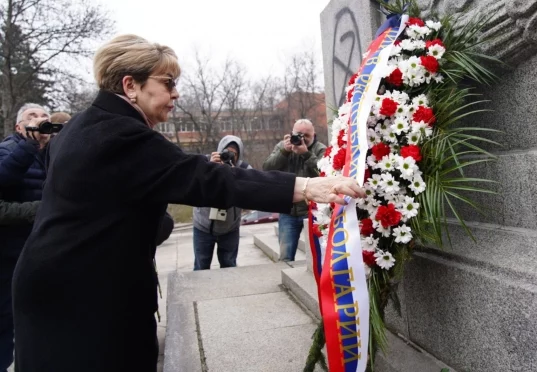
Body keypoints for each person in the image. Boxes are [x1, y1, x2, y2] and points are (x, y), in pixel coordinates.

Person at [10, 34, 363, 372]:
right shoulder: (120, 135)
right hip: (86, 301)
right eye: (168, 83)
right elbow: (203, 177)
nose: (176, 93)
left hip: (55, 286)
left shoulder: (80, 127)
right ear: (130, 85)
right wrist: (306, 185)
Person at [0, 103, 51, 371]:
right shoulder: (10, 149)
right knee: (7, 323)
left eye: (45, 116)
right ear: (19, 127)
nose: (40, 119)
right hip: (9, 255)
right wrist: (27, 146)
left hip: (40, 251)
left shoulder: (52, 155)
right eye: (32, 116)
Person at [263, 119, 326, 261]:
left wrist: (306, 154)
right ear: (291, 133)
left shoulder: (320, 149)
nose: (301, 139)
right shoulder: (283, 147)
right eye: (298, 134)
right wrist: (284, 152)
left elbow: (324, 174)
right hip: (288, 210)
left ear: (314, 134)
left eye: (306, 136)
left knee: (317, 255)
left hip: (312, 211)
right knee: (285, 256)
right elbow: (267, 168)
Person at [192, 135, 250, 270]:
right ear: (220, 151)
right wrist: (210, 168)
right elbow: (194, 185)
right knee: (201, 266)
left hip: (230, 228)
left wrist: (234, 172)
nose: (229, 156)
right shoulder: (207, 162)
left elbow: (253, 190)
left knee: (229, 266)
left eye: (233, 154)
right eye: (226, 152)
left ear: (239, 155)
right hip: (203, 226)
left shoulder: (244, 168)